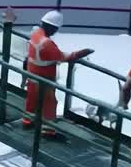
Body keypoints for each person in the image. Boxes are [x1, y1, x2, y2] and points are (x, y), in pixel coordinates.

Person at [24, 10, 93, 139]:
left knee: (32, 100)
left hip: (32, 73)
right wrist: (80, 53)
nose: (55, 32)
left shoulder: (35, 34)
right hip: (44, 77)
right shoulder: (46, 43)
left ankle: (28, 122)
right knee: (50, 103)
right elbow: (62, 56)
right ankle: (48, 131)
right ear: (52, 27)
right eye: (55, 29)